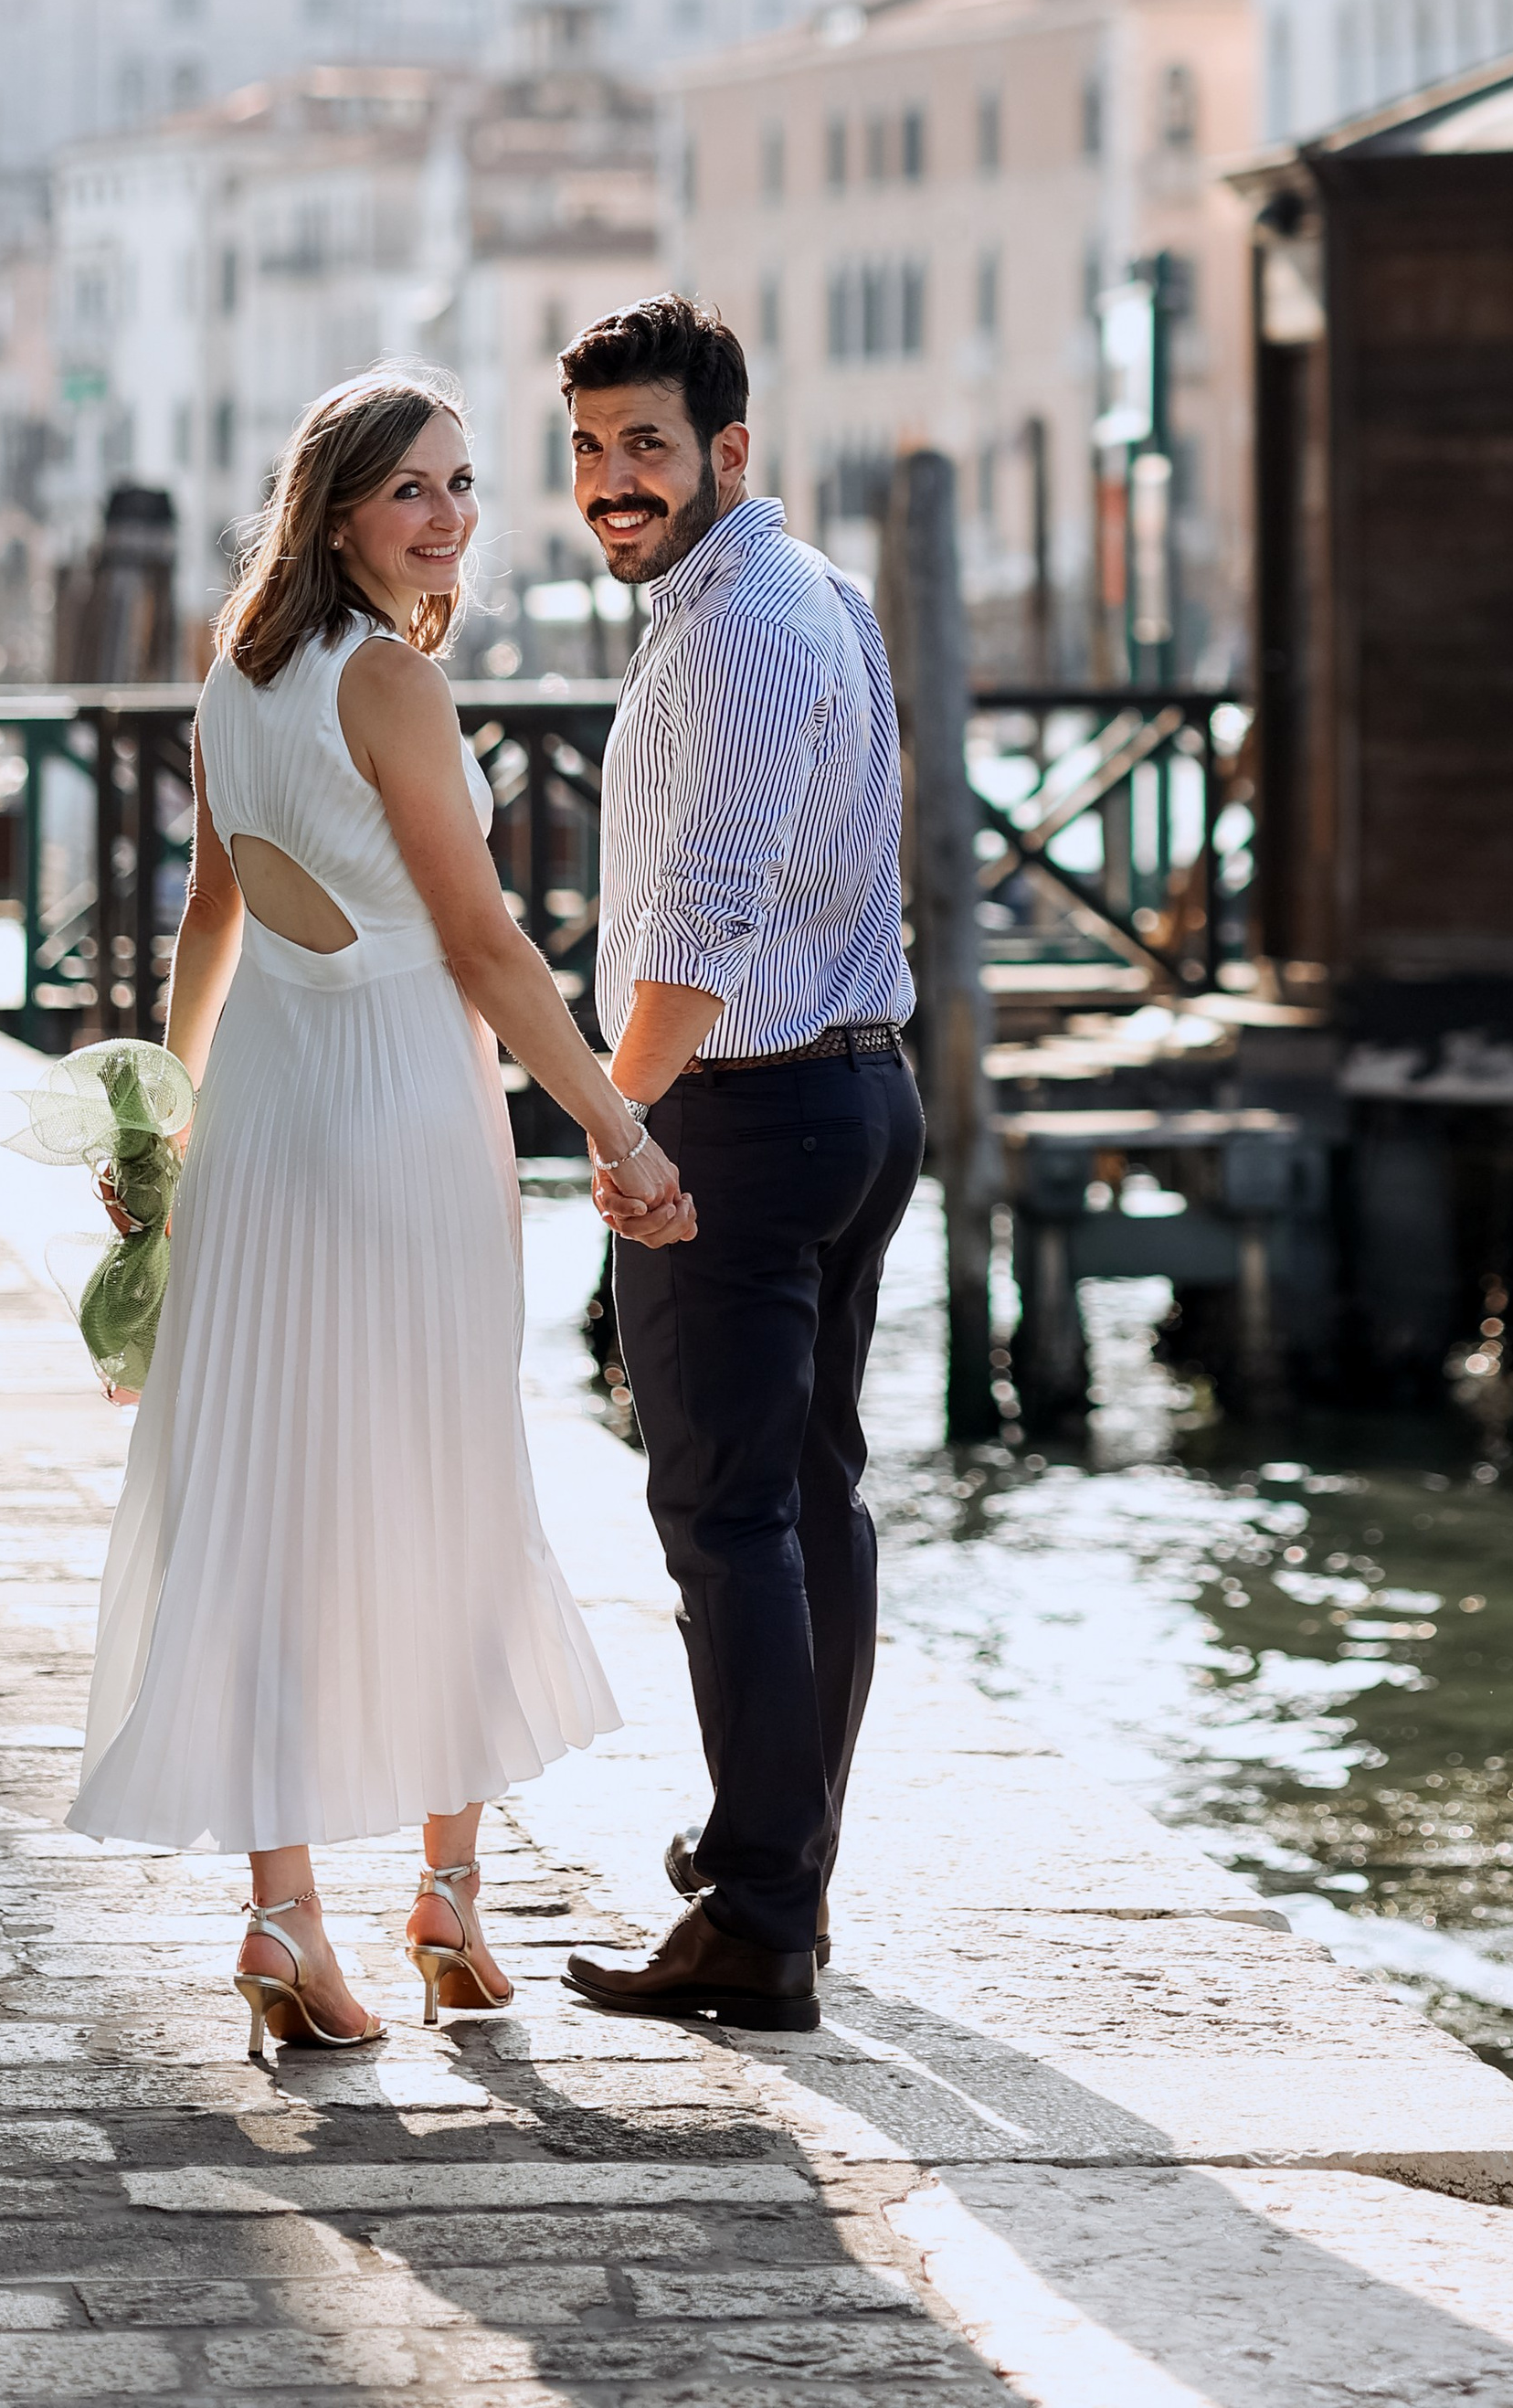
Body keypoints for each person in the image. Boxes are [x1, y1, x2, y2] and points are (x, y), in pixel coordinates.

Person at [67, 370, 693, 2053]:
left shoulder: (236, 671)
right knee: (445, 1476)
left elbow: (209, 917)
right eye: (413, 487)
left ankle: (287, 1916)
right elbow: (484, 947)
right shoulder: (392, 682)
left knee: (268, 1489)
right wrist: (621, 1131)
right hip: (402, 1104)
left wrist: (170, 1112)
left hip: (269, 1111)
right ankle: (447, 1895)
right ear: (334, 509)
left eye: (463, 484)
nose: (450, 516)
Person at [555, 295, 922, 2034]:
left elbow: (700, 922)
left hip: (744, 1111)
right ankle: (783, 1862)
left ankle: (763, 1915)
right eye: (589, 449)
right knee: (810, 1496)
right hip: (847, 1099)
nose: (612, 482)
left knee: (727, 1513)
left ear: (728, 450)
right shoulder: (803, 593)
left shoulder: (740, 631)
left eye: (646, 445)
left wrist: (619, 1127)